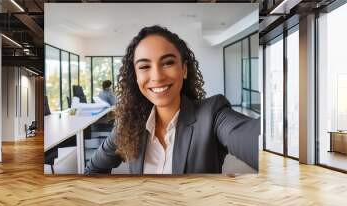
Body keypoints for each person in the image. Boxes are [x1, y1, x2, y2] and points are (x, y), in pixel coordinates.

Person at [85, 25, 259, 174]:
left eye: (167, 63)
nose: (157, 76)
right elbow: (92, 171)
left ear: (184, 69)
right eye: (144, 66)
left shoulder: (212, 114)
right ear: (135, 77)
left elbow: (255, 138)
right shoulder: (128, 124)